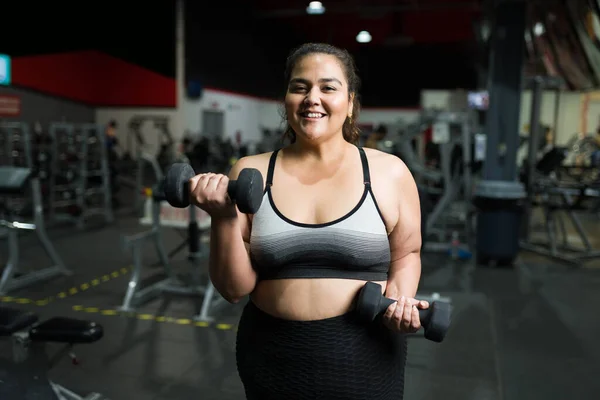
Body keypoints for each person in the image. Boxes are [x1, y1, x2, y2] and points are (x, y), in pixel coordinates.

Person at [188, 43, 428, 400]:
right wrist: (222, 218)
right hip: (272, 354)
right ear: (286, 101)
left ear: (350, 103)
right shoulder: (251, 171)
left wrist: (400, 299)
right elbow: (233, 289)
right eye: (299, 87)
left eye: (328, 87)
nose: (311, 98)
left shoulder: (388, 172)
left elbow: (407, 253)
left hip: (365, 355)